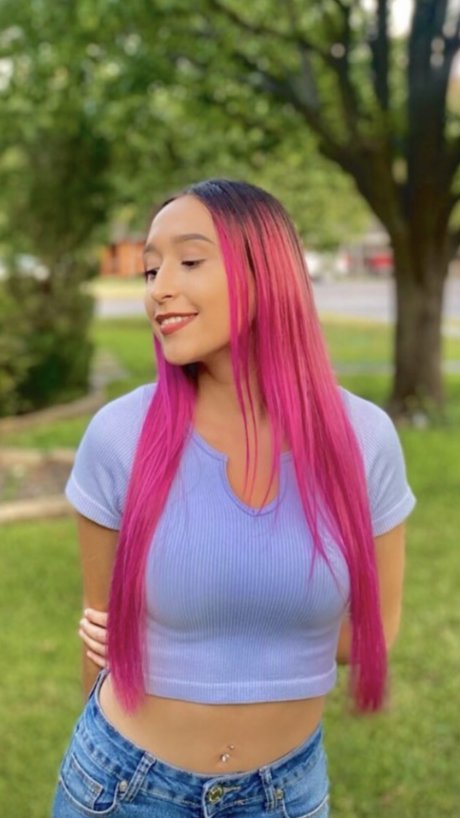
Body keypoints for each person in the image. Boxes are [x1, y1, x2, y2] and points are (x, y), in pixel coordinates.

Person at [52, 179, 416, 818]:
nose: (159, 288)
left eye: (189, 261)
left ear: (265, 272)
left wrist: (264, 605)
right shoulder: (119, 436)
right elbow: (102, 646)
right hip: (124, 788)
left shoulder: (364, 440)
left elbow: (372, 635)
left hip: (286, 794)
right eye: (151, 269)